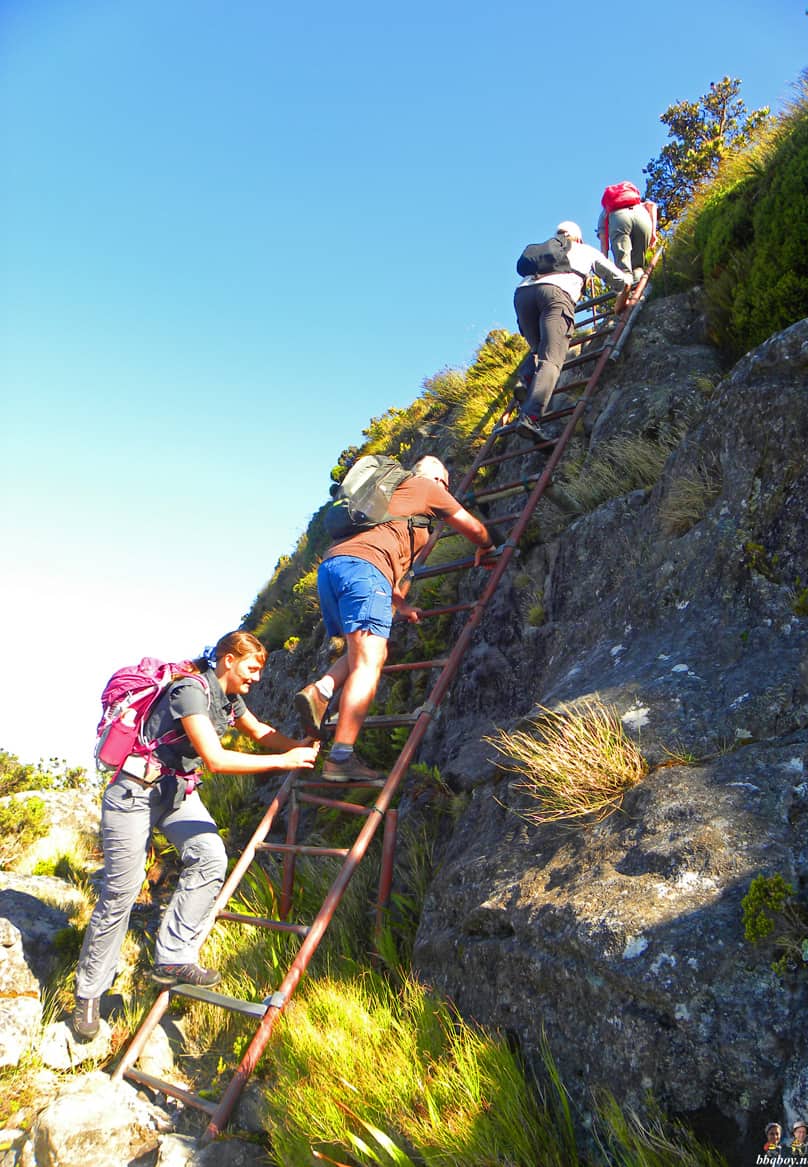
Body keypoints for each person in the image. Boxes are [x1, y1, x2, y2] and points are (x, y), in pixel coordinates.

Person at [73, 630, 319, 1041]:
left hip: (175, 793)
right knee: (122, 890)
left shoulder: (228, 699)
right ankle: (89, 993)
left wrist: (300, 748)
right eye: (252, 668)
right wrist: (284, 761)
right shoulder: (190, 690)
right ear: (227, 660)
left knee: (210, 856)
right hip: (135, 792)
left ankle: (171, 957)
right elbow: (216, 759)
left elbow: (258, 731)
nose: (257, 678)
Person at [295, 456, 496, 782]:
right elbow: (472, 527)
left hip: (334, 569)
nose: (445, 487)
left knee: (359, 651)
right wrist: (486, 547)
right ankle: (341, 757)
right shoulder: (426, 488)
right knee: (371, 659)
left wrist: (399, 605)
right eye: (444, 481)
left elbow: (389, 562)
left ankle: (322, 688)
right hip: (363, 569)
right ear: (436, 479)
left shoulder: (393, 498)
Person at [511, 220, 633, 442]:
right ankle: (530, 416)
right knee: (552, 358)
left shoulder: (544, 252)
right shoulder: (584, 250)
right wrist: (622, 299)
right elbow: (621, 280)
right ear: (578, 237)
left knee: (538, 346)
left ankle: (525, 379)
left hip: (522, 296)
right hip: (557, 295)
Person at [596, 198, 654, 283]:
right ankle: (644, 292)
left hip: (619, 219)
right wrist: (653, 233)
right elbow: (651, 205)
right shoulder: (637, 203)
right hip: (642, 215)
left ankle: (629, 293)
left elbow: (604, 245)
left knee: (624, 270)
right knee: (637, 266)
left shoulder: (604, 213)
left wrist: (602, 267)